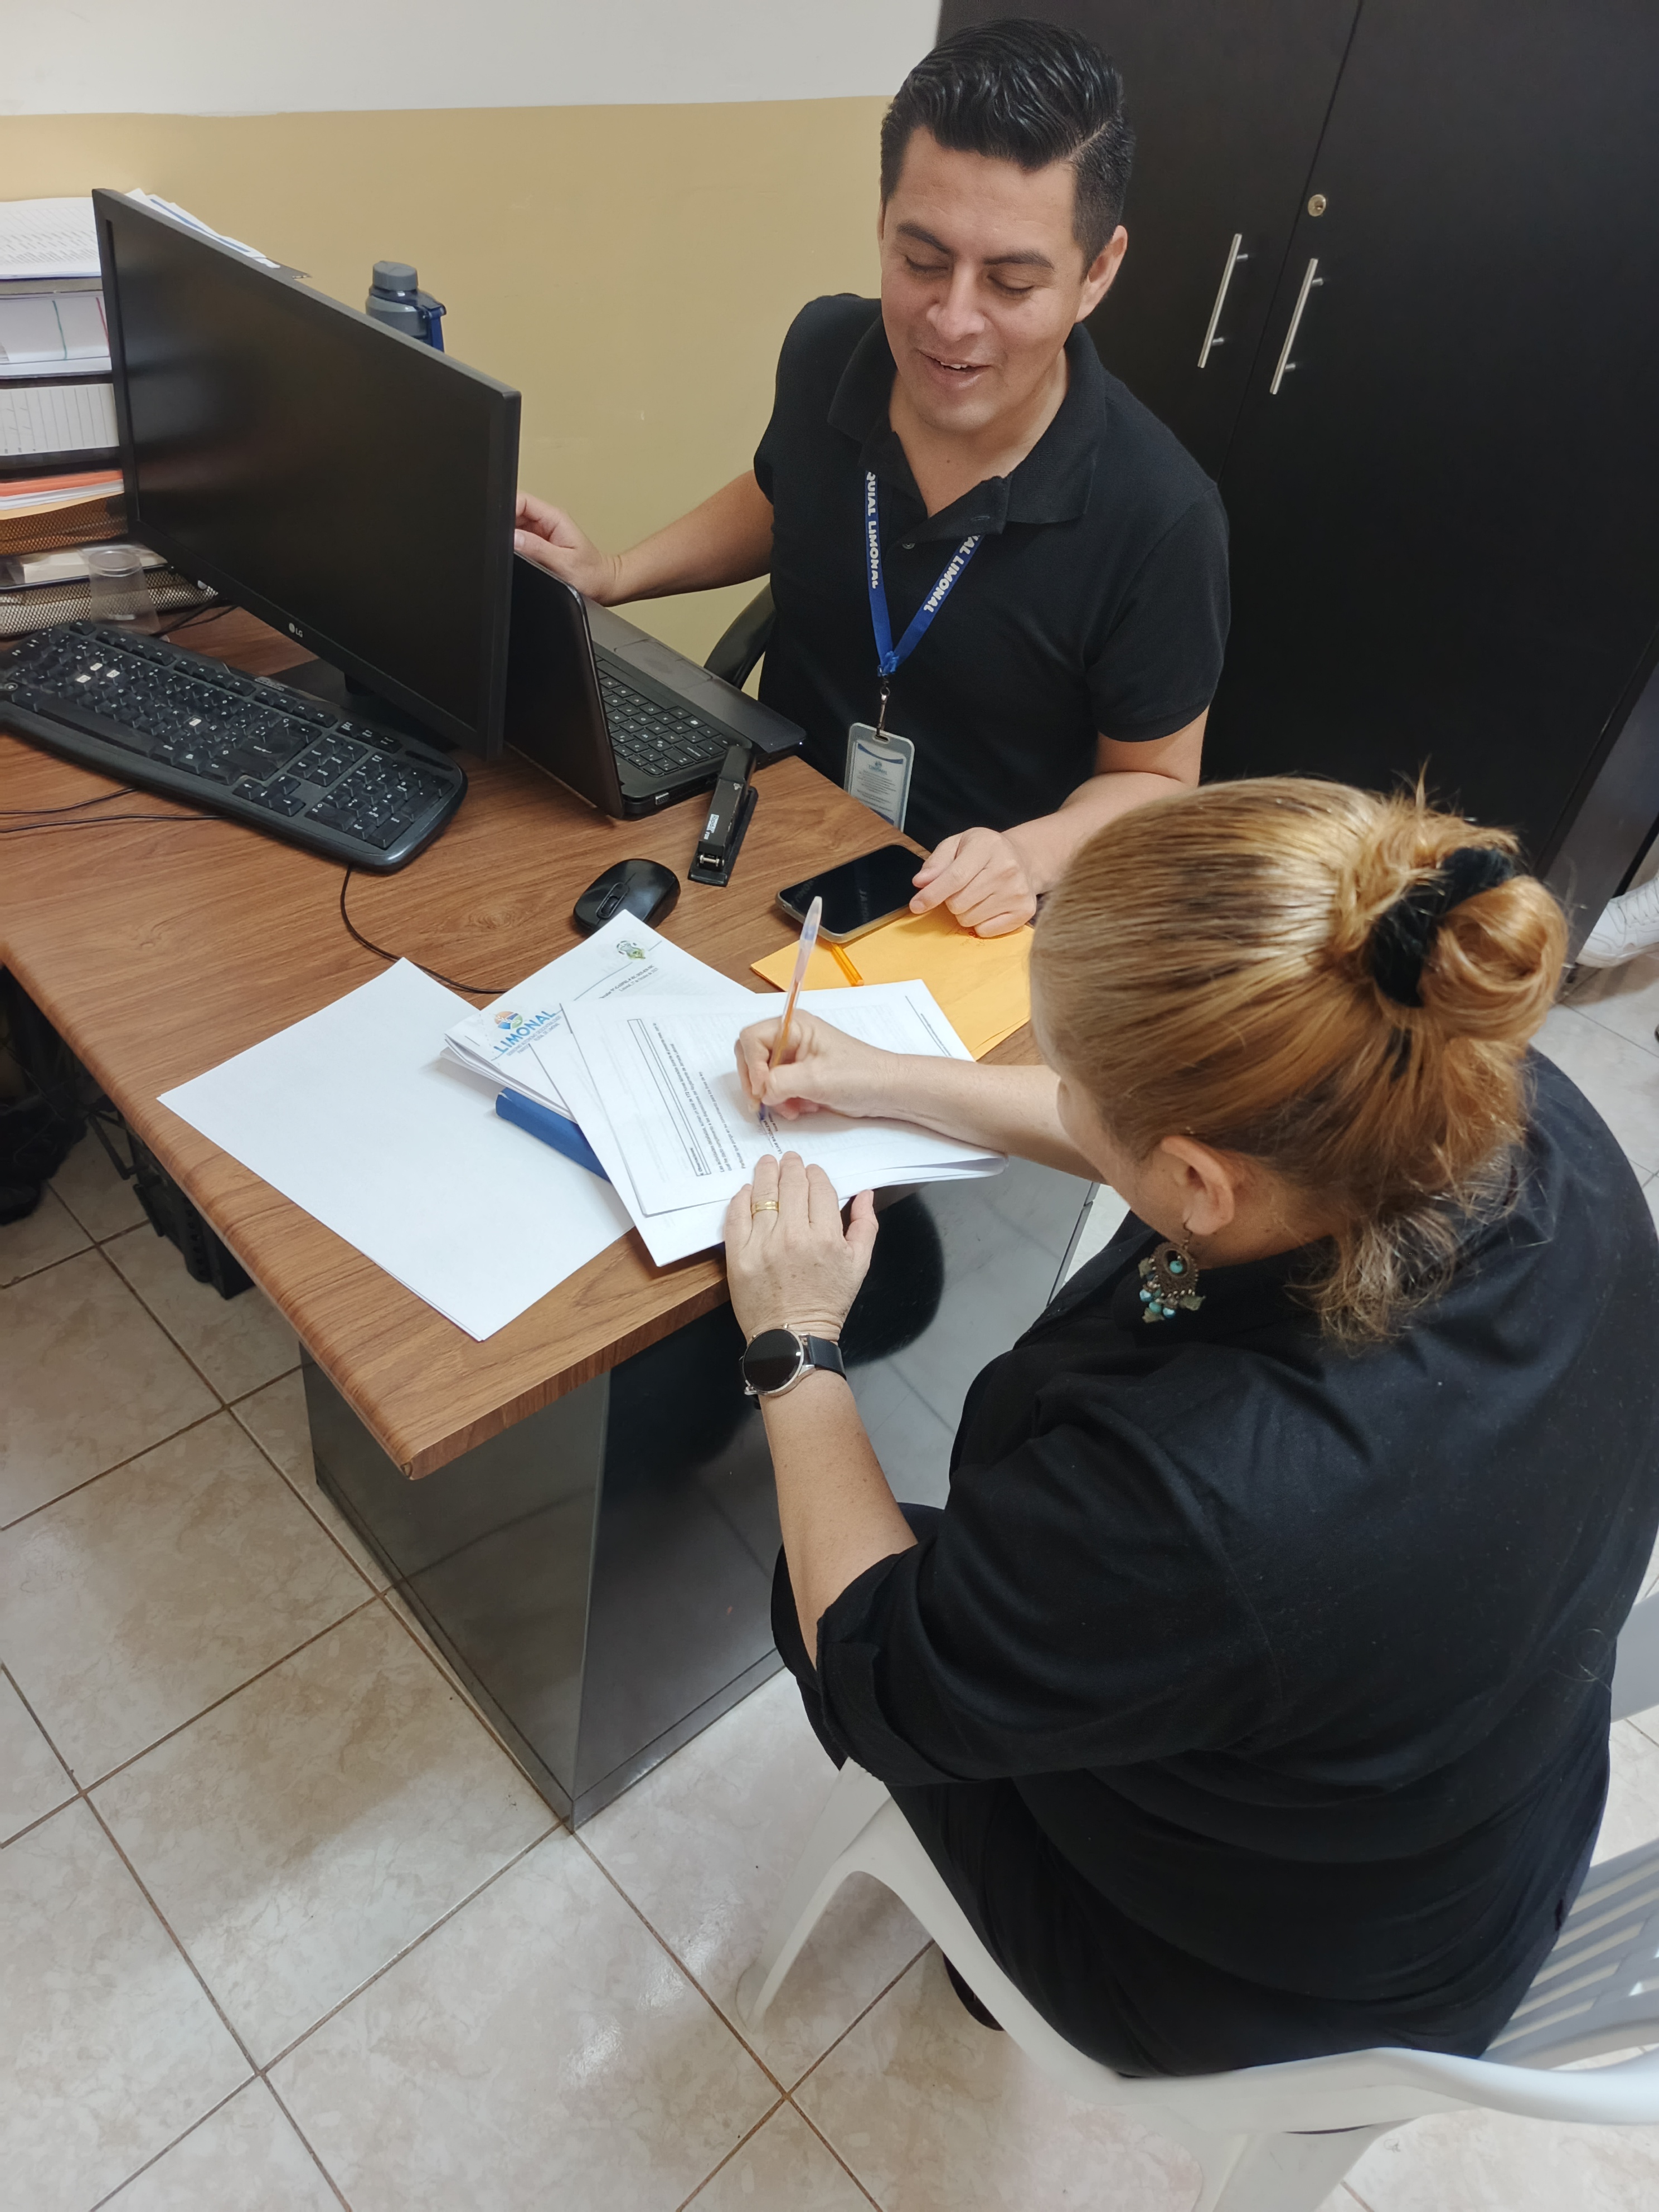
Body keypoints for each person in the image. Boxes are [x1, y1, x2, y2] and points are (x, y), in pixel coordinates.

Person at [721, 776, 1659, 2076]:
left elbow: (880, 1671)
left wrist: (796, 1343)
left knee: (814, 1595)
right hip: (1467, 1826)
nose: (1060, 1092)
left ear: (1202, 1183)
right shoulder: (1486, 1099)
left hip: (1260, 1968)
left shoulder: (1198, 1502)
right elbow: (1178, 1137)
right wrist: (878, 1080)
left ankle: (1000, 1967)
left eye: (1072, 1080)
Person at [515, 21, 1229, 938]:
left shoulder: (1162, 518)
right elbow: (784, 492)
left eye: (1010, 284)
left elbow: (1156, 780)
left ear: (1097, 273)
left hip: (964, 912)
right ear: (883, 221)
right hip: (772, 841)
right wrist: (615, 574)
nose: (952, 321)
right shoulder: (828, 350)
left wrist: (1026, 857)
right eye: (921, 261)